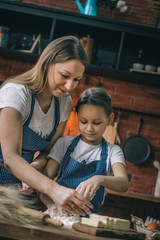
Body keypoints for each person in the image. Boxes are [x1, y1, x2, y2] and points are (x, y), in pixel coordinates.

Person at [0, 35, 92, 215]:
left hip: (17, 192)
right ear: (47, 63)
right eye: (65, 76)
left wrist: (32, 171)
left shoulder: (63, 103)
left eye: (76, 79)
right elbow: (10, 158)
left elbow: (48, 151)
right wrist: (53, 189)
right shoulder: (16, 93)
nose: (69, 86)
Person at [23, 87, 129, 214]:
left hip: (87, 222)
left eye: (96, 123)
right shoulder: (63, 144)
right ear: (77, 117)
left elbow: (123, 183)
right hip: (57, 214)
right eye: (83, 121)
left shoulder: (113, 151)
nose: (89, 128)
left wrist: (99, 179)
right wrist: (51, 206)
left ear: (110, 119)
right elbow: (45, 183)